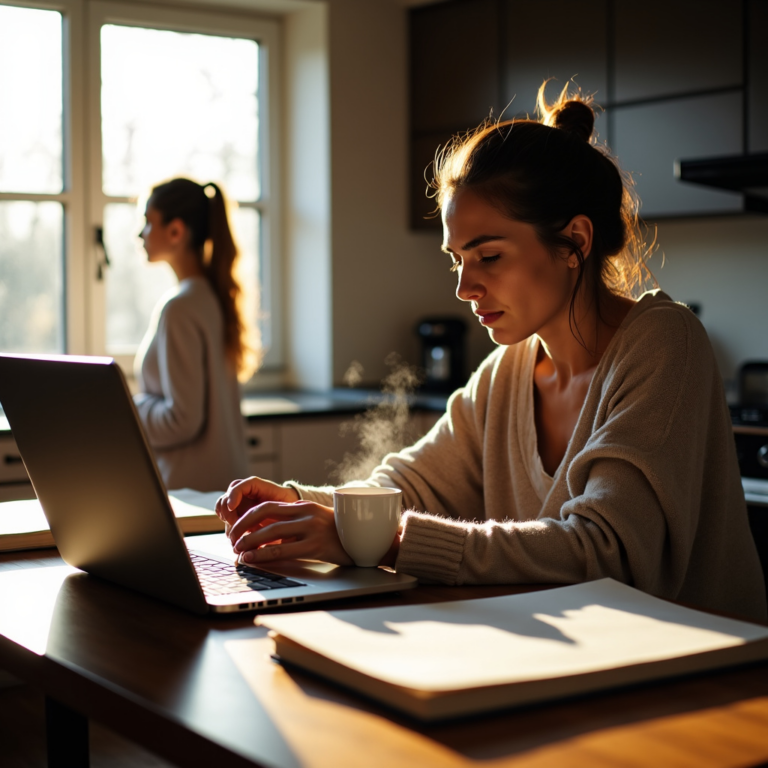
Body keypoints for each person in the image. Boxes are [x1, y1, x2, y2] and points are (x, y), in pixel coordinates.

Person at [216, 85, 767, 623]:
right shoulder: (508, 371)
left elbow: (608, 553)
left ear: (574, 242)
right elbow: (405, 487)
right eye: (457, 260)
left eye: (489, 256)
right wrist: (291, 505)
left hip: (707, 682)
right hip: (585, 667)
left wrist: (383, 541)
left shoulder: (665, 342)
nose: (464, 287)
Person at [134, 177, 259, 492]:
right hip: (222, 487)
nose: (141, 233)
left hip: (190, 493)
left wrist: (129, 410)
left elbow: (182, 421)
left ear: (176, 231)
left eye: (148, 222)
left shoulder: (180, 308)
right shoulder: (211, 298)